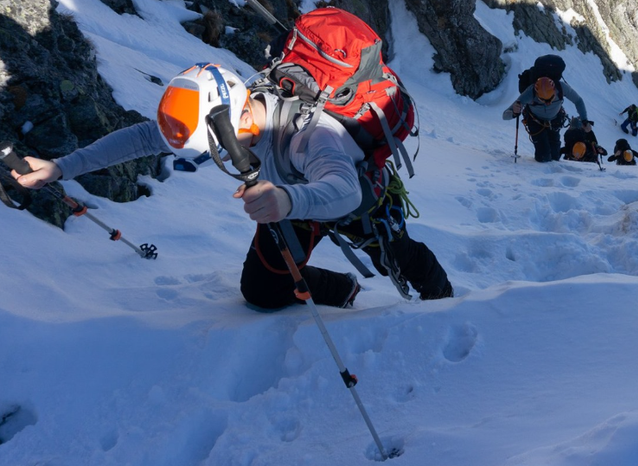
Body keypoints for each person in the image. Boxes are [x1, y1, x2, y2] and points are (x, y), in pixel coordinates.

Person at [11, 63, 452, 310]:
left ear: (240, 119)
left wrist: (285, 198)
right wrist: (61, 167)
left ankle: (446, 304)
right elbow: (146, 137)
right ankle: (344, 293)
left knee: (396, 253)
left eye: (215, 148)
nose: (214, 156)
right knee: (261, 291)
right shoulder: (229, 109)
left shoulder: (311, 134)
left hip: (349, 201)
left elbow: (345, 191)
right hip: (284, 198)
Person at [503, 73, 590, 163]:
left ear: (554, 90)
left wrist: (584, 120)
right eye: (543, 100)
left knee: (555, 156)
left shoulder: (561, 87)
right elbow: (505, 115)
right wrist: (514, 112)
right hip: (535, 122)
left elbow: (578, 101)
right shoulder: (529, 93)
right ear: (537, 93)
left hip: (554, 121)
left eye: (550, 99)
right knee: (543, 157)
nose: (547, 103)